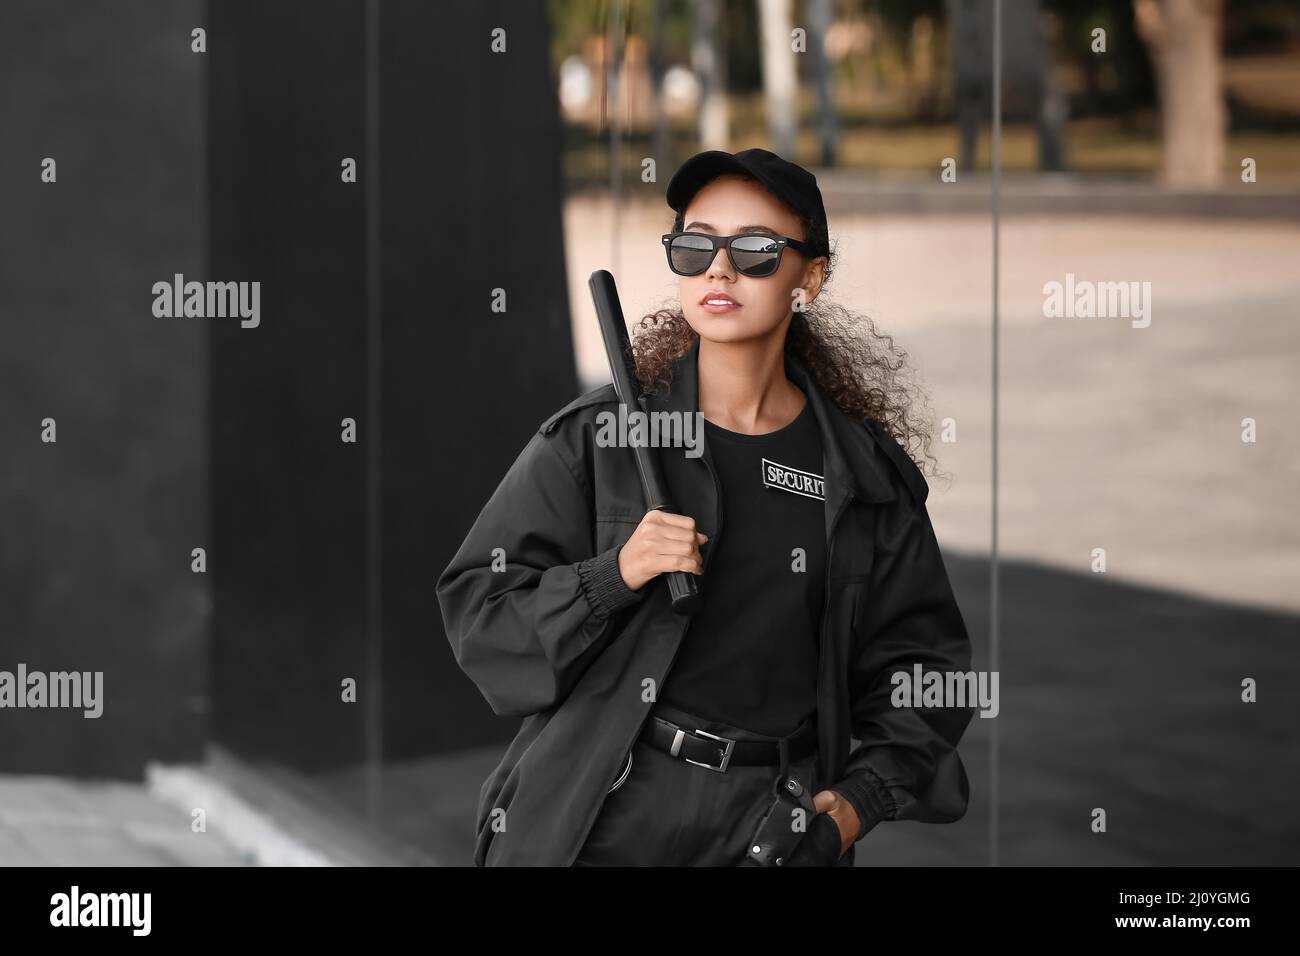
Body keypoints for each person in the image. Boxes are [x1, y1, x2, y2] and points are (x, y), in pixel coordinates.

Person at [437, 147, 974, 867]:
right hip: (604, 811)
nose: (719, 269)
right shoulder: (602, 438)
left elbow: (926, 669)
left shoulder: (864, 475)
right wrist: (610, 577)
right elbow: (481, 614)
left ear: (809, 275)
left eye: (755, 249)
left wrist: (853, 807)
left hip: (770, 829)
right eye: (694, 247)